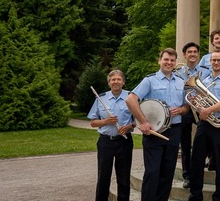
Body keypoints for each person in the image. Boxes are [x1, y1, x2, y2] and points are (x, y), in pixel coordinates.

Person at [126, 48, 190, 201]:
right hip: (155, 132)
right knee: (152, 172)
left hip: (174, 131)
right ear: (159, 60)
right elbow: (130, 99)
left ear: (175, 63)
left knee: (167, 173)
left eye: (172, 60)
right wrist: (143, 122)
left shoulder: (181, 82)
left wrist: (181, 109)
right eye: (166, 59)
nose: (169, 62)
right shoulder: (149, 80)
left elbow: (187, 107)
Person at [187, 50, 220, 201]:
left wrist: (209, 110)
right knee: (196, 159)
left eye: (219, 60)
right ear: (210, 62)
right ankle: (195, 195)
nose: (216, 63)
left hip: (219, 125)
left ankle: (219, 196)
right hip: (204, 123)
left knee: (219, 162)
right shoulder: (204, 80)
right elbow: (198, 100)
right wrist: (196, 103)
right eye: (213, 60)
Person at [88, 69, 134, 201]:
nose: (116, 82)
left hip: (124, 142)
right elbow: (93, 122)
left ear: (123, 82)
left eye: (119, 79)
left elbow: (138, 120)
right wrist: (106, 121)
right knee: (103, 177)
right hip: (105, 142)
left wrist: (129, 126)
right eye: (113, 79)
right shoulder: (100, 98)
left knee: (124, 178)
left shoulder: (131, 97)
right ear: (109, 83)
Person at [176, 42, 211, 188]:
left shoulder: (205, 71)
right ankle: (187, 175)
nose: (192, 54)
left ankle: (210, 161)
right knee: (185, 143)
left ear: (198, 55)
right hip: (185, 108)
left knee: (207, 136)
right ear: (184, 55)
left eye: (195, 52)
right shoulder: (177, 72)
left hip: (200, 108)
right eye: (189, 52)